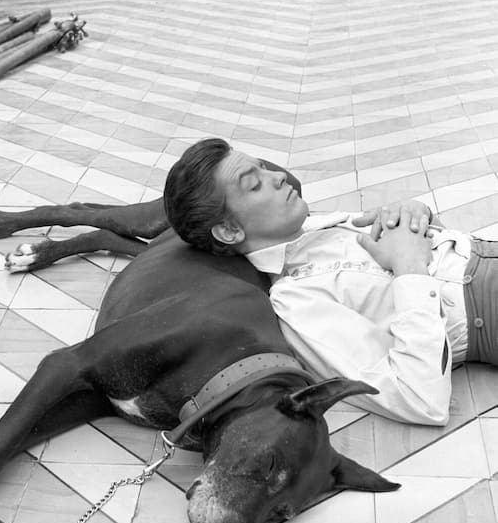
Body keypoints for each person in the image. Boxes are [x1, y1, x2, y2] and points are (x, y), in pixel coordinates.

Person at [163, 138, 494, 427]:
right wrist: (409, 268)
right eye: (254, 184)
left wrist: (418, 219)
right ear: (229, 230)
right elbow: (419, 399)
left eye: (264, 168)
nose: (278, 176)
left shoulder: (320, 226)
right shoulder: (296, 300)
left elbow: (435, 258)